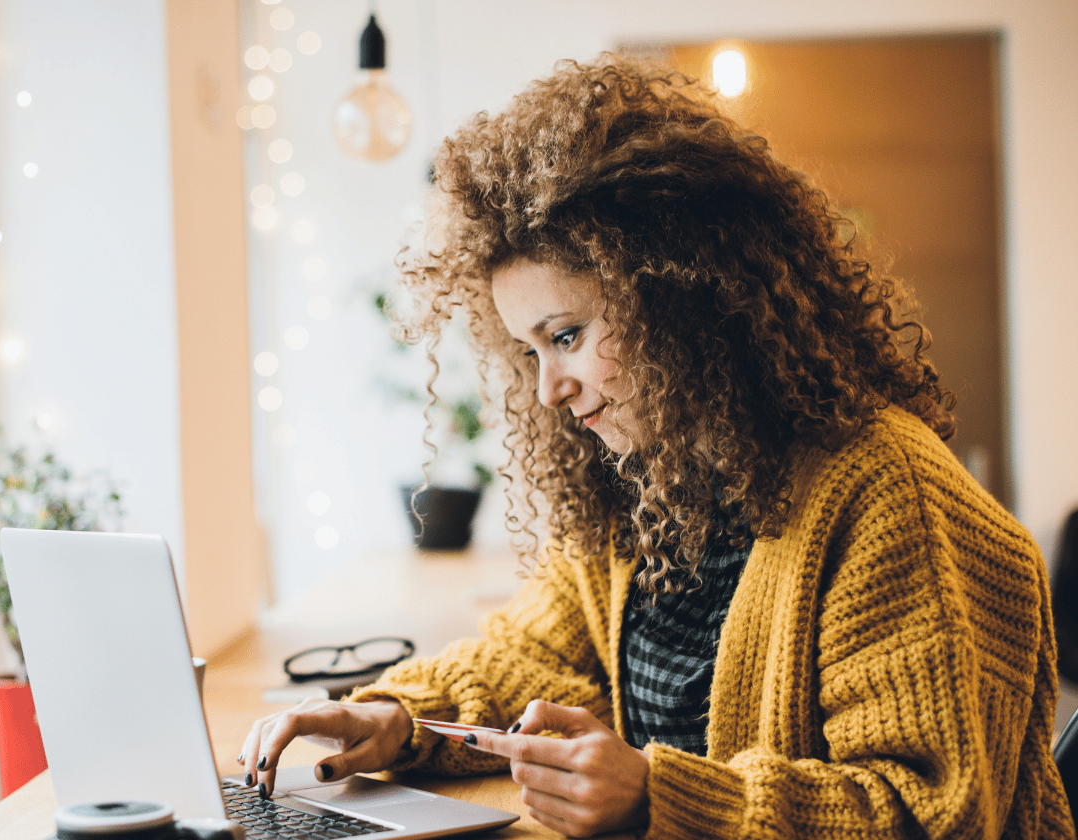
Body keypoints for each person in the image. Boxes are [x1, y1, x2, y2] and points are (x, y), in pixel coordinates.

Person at [239, 55, 1075, 839]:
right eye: (530, 350)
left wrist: (657, 795)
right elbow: (531, 653)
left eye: (566, 335)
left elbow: (929, 811)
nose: (547, 390)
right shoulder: (653, 483)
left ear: (682, 298)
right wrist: (394, 717)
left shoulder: (889, 495)